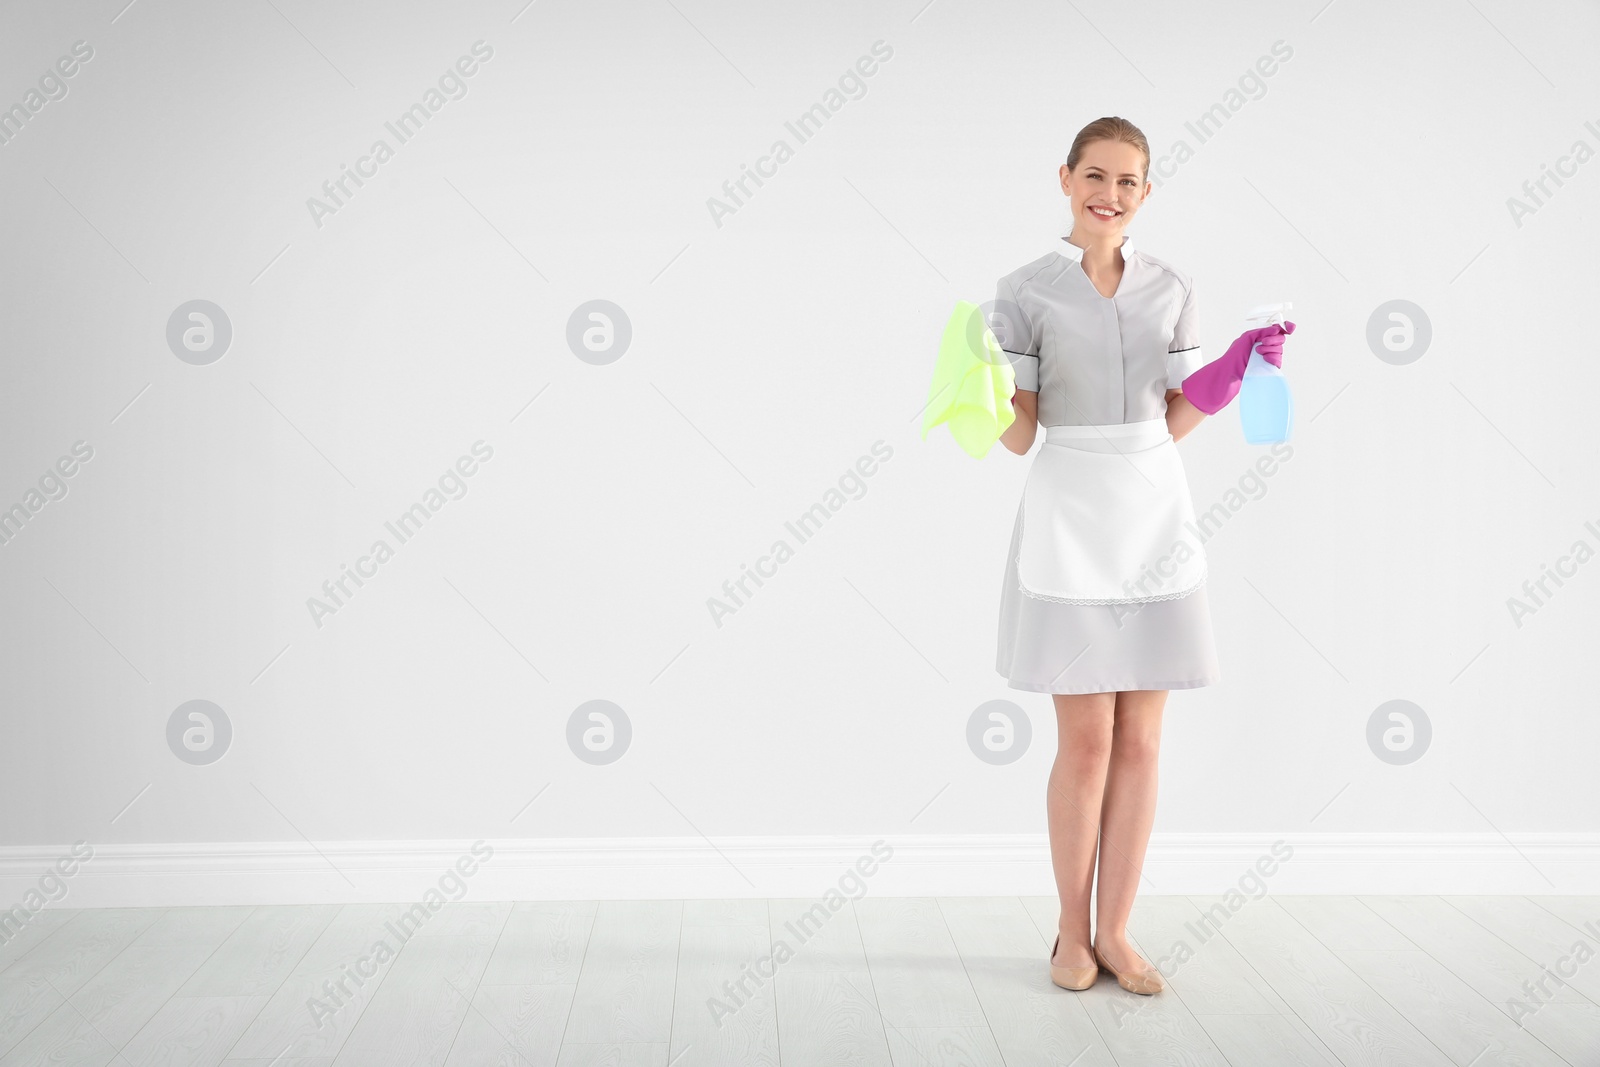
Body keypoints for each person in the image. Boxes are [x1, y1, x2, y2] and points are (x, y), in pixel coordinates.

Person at [990, 116, 1294, 995]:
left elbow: (1176, 416)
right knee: (1086, 743)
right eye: (1095, 174)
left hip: (1153, 511)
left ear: (1146, 193)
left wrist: (1237, 366)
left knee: (1143, 742)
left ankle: (1116, 931)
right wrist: (981, 385)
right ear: (1065, 178)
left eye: (1128, 181)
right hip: (1070, 512)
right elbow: (1019, 436)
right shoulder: (1022, 292)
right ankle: (1068, 934)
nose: (1109, 194)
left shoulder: (1172, 287)